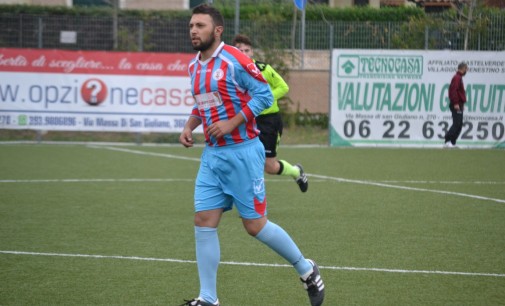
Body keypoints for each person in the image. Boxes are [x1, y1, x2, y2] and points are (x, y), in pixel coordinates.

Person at [178, 4, 324, 306]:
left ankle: (307, 269)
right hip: (213, 156)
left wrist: (231, 123)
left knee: (255, 226)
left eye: (200, 25)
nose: (193, 30)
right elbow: (202, 104)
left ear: (217, 30)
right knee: (204, 220)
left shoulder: (235, 59)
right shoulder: (194, 66)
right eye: (192, 25)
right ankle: (208, 298)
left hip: (243, 153)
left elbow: (264, 95)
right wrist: (189, 126)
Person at [232, 34, 308, 192]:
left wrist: (263, 99)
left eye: (247, 50)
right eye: (240, 50)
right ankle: (252, 203)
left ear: (252, 52)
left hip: (268, 121)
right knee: (245, 161)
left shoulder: (263, 69)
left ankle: (296, 171)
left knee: (270, 166)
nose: (244, 53)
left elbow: (283, 87)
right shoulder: (231, 73)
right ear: (234, 52)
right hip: (246, 121)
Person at [444, 62, 468, 148]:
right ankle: (447, 141)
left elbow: (459, 92)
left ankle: (453, 142)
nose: (466, 71)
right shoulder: (457, 78)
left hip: (459, 104)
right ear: (462, 68)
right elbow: (453, 91)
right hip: (456, 104)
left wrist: (461, 103)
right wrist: (456, 103)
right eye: (466, 69)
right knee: (456, 123)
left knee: (459, 124)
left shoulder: (459, 78)